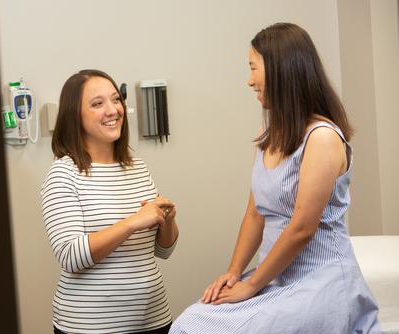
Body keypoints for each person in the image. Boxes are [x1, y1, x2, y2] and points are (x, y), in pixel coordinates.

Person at [170, 23, 380, 333]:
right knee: (190, 321)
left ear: (282, 71)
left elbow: (302, 228)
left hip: (320, 283)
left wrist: (250, 285)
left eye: (253, 68)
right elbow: (255, 214)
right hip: (275, 279)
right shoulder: (270, 135)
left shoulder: (321, 138)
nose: (249, 80)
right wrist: (233, 274)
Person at [41, 69, 179, 334]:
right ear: (75, 116)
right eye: (97, 104)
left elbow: (163, 251)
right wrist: (132, 223)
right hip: (90, 326)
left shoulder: (137, 167)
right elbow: (71, 256)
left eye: (116, 100)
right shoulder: (64, 173)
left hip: (154, 319)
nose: (113, 110)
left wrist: (167, 221)